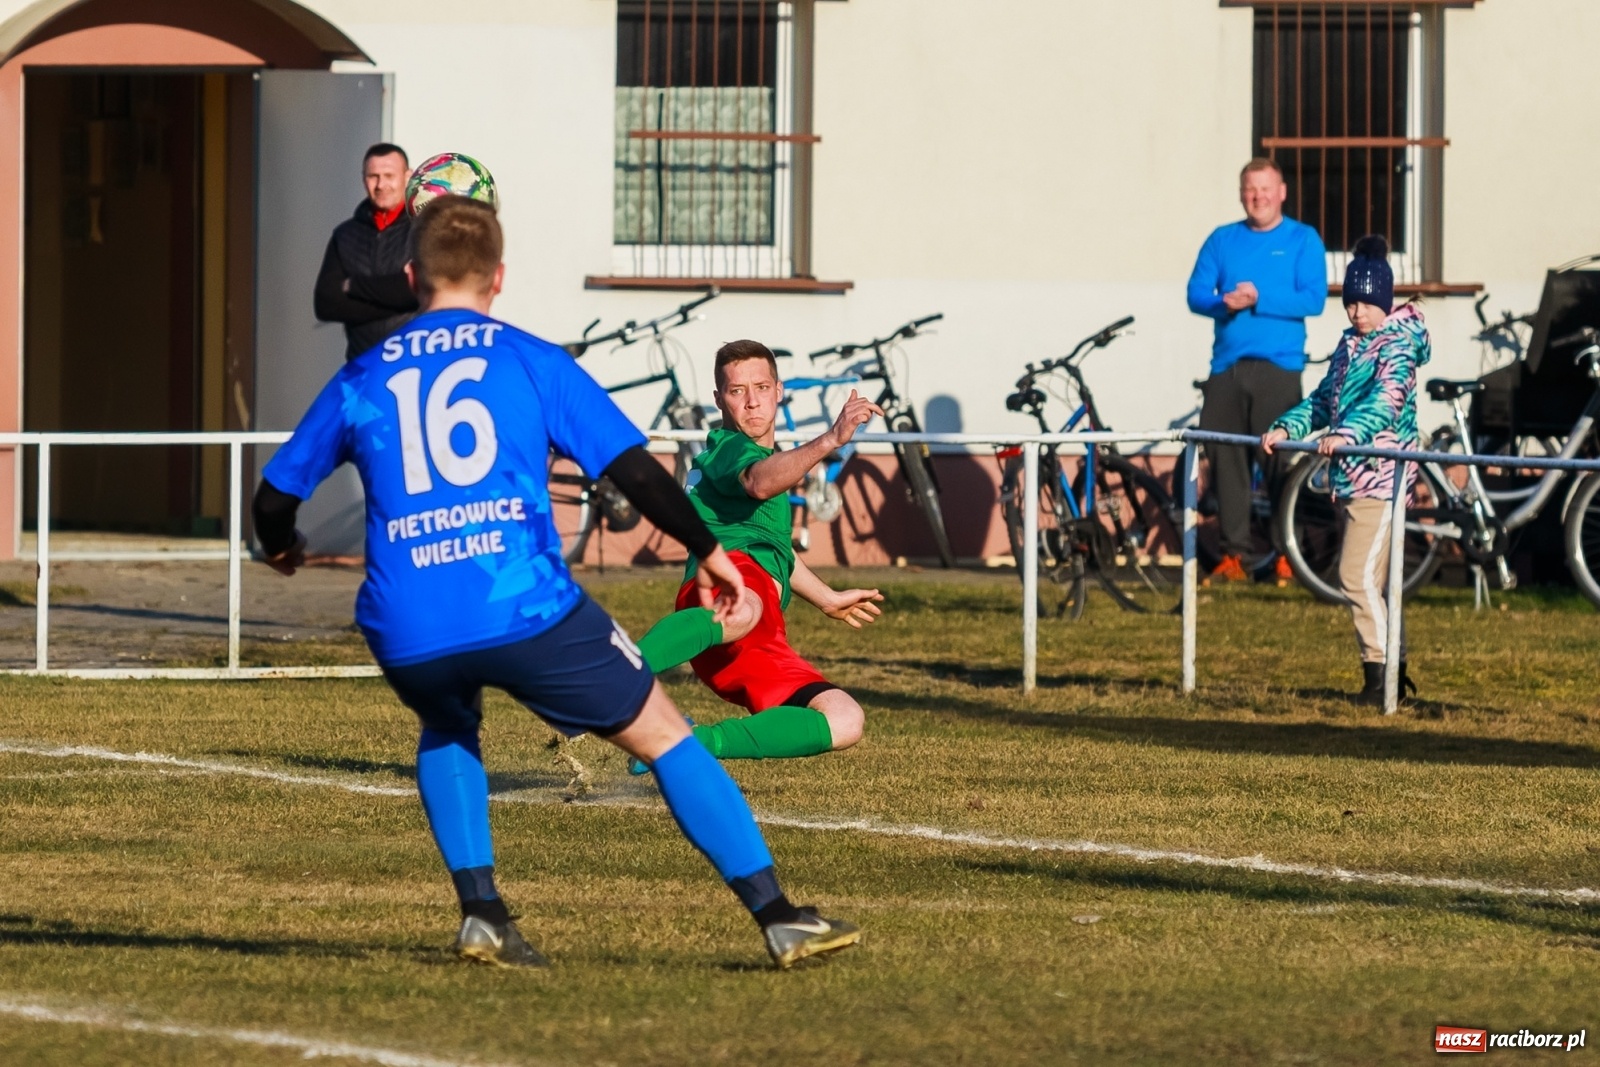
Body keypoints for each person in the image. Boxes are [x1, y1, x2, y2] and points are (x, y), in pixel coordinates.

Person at [253, 196, 860, 970]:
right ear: (498, 278)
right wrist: (708, 551)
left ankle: (483, 913)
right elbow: (634, 470)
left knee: (447, 724)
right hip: (523, 604)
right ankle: (778, 914)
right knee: (665, 734)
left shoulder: (363, 374)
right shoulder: (531, 358)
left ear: (410, 277)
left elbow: (272, 499)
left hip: (406, 619)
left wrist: (282, 547)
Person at [651, 340, 884, 767]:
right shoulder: (727, 449)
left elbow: (778, 555)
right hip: (723, 599)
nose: (752, 402)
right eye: (737, 391)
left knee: (845, 719)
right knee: (743, 605)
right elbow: (758, 482)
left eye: (761, 387)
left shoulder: (773, 460)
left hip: (760, 632)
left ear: (779, 390)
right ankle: (618, 674)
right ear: (719, 399)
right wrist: (830, 438)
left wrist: (828, 598)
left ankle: (686, 744)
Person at [1262, 235, 1428, 706]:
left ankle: (1383, 678)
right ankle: (1387, 676)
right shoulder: (1350, 344)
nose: (1357, 312)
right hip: (1350, 478)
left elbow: (1385, 402)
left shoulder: (1395, 348)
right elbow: (1322, 401)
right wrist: (1285, 426)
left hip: (1381, 474)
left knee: (1354, 577)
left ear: (1385, 301)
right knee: (1371, 582)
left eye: (1366, 304)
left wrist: (1349, 434)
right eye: (1351, 303)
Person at [1187, 158, 1328, 583]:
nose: (1258, 197)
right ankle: (1235, 556)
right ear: (1241, 193)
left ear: (1282, 192)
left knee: (1280, 464)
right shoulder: (1222, 240)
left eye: (1266, 188)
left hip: (1278, 368)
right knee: (1226, 460)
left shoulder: (1303, 239)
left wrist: (1259, 297)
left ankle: (1289, 554)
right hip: (1226, 368)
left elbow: (1313, 299)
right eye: (1251, 189)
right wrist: (1221, 303)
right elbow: (1195, 293)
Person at [314, 143, 421, 361]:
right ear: (364, 179)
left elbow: (415, 290)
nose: (381, 184)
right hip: (361, 367)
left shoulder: (424, 229)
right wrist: (396, 299)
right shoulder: (344, 235)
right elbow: (325, 304)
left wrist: (353, 286)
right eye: (373, 176)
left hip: (413, 363)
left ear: (408, 177)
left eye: (389, 175)